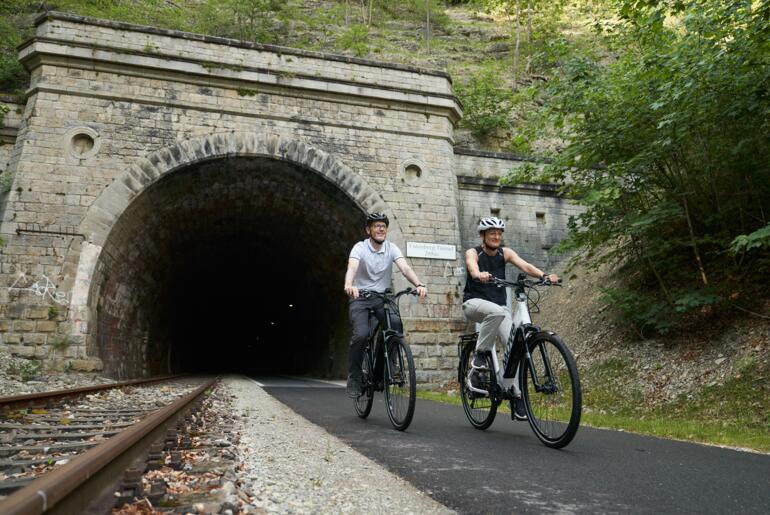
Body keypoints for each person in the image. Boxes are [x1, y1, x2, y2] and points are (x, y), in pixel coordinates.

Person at [462, 216, 559, 420]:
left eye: (499, 233)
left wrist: (544, 276)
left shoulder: (505, 253)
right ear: (483, 235)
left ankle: (515, 394)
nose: (496, 236)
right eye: (492, 233)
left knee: (514, 345)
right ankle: (480, 355)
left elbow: (525, 266)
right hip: (474, 304)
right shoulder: (474, 252)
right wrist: (478, 274)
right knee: (496, 312)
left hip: (499, 308)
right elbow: (472, 266)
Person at [343, 213, 428, 398]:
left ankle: (390, 366)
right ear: (368, 230)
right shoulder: (360, 247)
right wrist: (349, 285)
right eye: (376, 226)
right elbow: (352, 267)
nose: (381, 229)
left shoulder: (391, 248)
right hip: (360, 297)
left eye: (383, 226)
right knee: (362, 335)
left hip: (382, 297)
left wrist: (418, 284)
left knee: (395, 326)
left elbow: (405, 268)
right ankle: (354, 376)